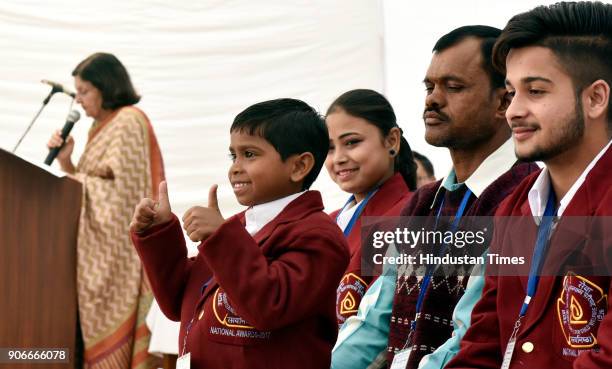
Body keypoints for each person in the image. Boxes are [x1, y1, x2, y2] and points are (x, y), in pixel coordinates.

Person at [445, 2, 612, 368]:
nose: (513, 111)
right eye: (511, 92)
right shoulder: (516, 206)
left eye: (535, 91)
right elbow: (482, 342)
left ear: (596, 98)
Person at [130, 98, 349, 369]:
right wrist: (159, 233)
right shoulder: (239, 226)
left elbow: (271, 304)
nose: (235, 167)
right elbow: (178, 302)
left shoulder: (319, 235)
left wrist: (220, 237)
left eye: (250, 154)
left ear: (298, 166)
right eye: (233, 155)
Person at [46, 52, 163, 369]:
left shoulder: (128, 121)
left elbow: (121, 197)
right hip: (97, 252)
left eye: (84, 91)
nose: (78, 101)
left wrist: (71, 176)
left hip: (119, 255)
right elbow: (93, 184)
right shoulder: (99, 127)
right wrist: (66, 162)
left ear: (106, 86)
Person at [325, 89, 416, 327]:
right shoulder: (327, 221)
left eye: (352, 142)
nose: (339, 158)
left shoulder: (413, 214)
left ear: (391, 140)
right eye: (330, 148)